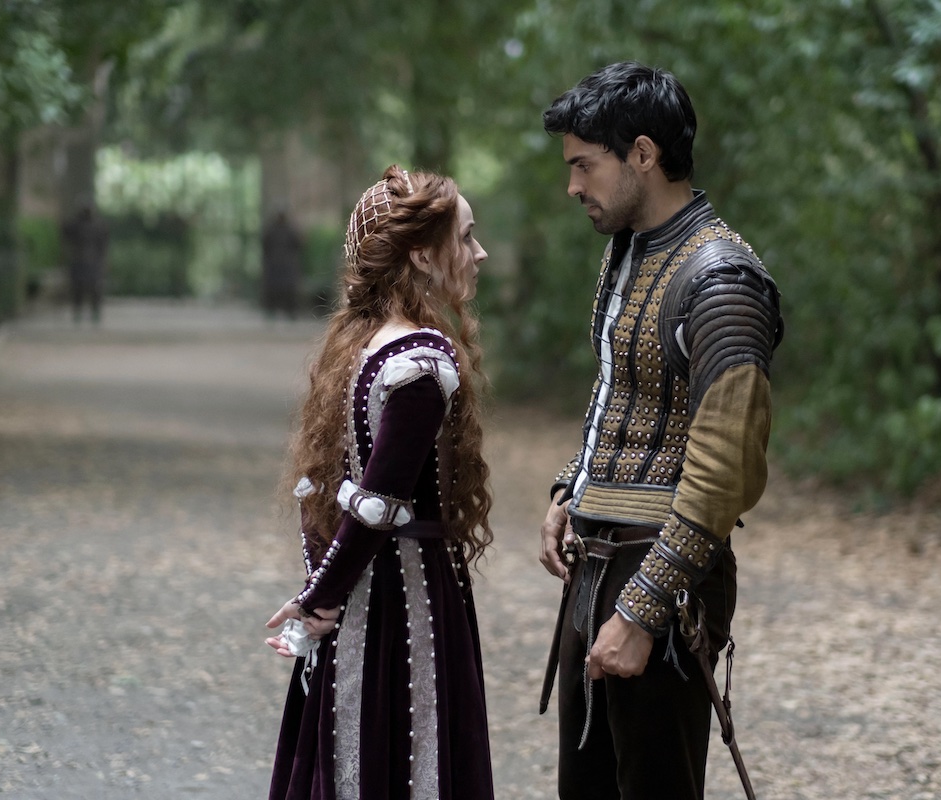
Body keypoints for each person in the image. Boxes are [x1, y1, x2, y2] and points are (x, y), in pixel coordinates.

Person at [537, 62, 784, 800]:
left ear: (642, 154)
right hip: (598, 560)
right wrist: (570, 487)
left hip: (662, 578)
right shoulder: (631, 252)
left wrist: (644, 610)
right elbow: (620, 387)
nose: (574, 186)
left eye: (585, 164)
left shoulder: (721, 280)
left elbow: (722, 470)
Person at [264, 165, 495, 800]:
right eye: (467, 237)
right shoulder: (420, 362)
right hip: (403, 600)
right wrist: (318, 601)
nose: (479, 253)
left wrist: (322, 591)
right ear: (422, 254)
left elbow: (340, 493)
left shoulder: (365, 346)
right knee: (407, 753)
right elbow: (376, 505)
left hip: (364, 590)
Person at [60, 200, 108, 324]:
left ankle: (94, 313)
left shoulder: (98, 225)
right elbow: (65, 233)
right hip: (79, 261)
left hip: (93, 262)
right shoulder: (76, 225)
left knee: (95, 288)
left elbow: (103, 244)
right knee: (78, 289)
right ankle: (78, 312)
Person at [261, 207, 304, 320]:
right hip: (276, 266)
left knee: (288, 290)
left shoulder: (289, 231)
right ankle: (271, 312)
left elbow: (299, 244)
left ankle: (290, 312)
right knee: (274, 290)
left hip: (285, 266)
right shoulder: (272, 231)